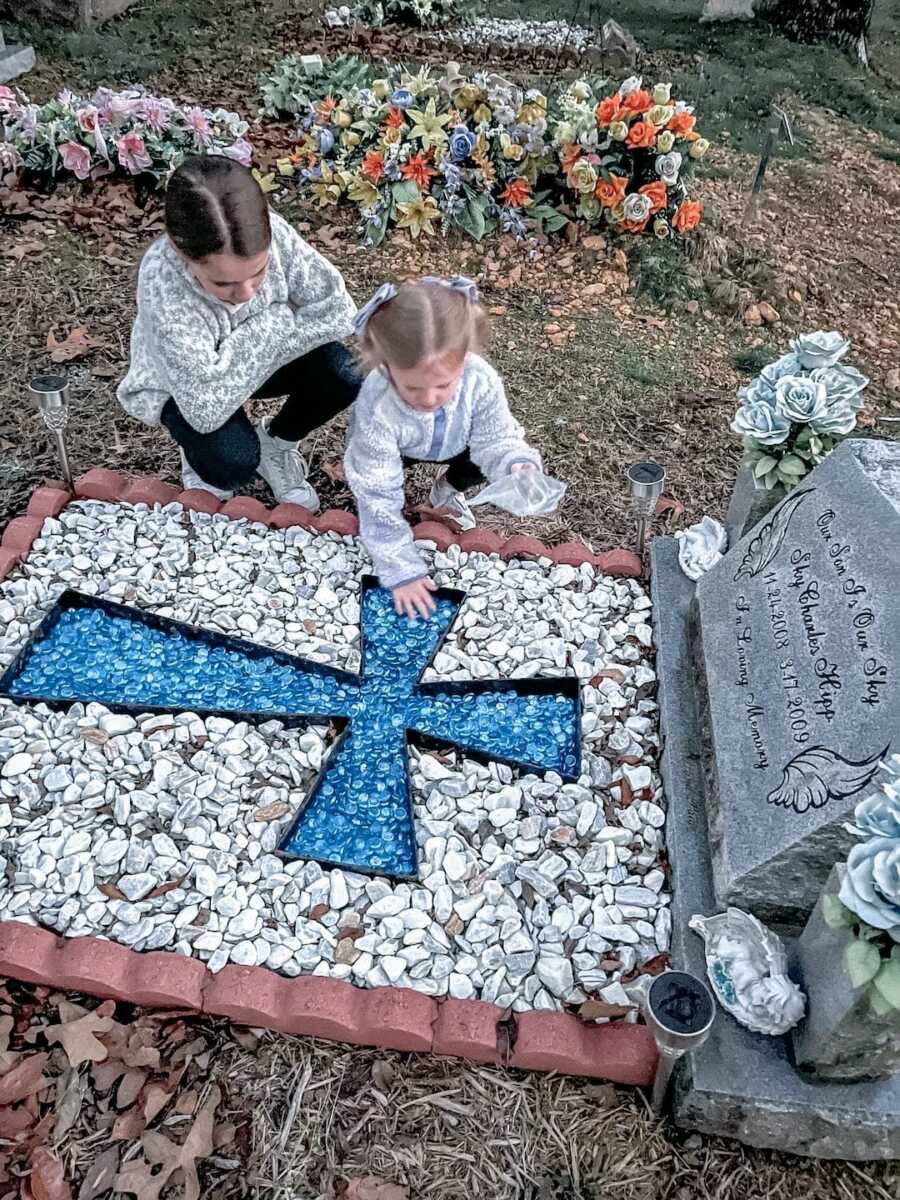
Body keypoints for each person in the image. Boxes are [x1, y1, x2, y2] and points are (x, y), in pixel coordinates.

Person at [117, 155, 360, 508]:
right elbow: (204, 408)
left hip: (235, 370)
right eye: (223, 282)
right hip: (183, 386)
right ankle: (200, 459)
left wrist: (248, 348)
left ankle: (276, 443)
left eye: (258, 273)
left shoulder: (276, 235)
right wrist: (274, 322)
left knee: (346, 370)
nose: (246, 293)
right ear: (181, 252)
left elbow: (340, 311)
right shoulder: (162, 282)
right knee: (231, 464)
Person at [345, 277, 542, 620]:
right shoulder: (377, 402)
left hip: (457, 441)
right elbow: (376, 488)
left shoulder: (481, 381)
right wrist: (399, 567)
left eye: (443, 384)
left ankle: (448, 488)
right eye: (413, 387)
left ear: (464, 360)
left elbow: (498, 437)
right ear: (386, 366)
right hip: (397, 445)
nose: (430, 399)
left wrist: (517, 463)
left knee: (488, 455)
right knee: (376, 489)